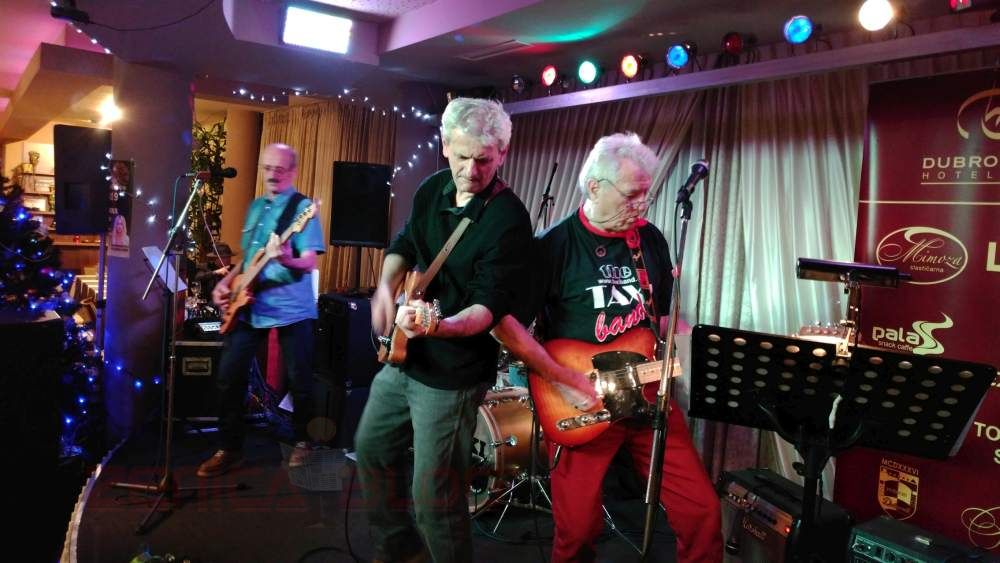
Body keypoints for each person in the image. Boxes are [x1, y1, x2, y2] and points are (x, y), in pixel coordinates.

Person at [493, 133, 723, 562]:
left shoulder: (650, 240)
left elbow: (663, 317)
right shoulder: (553, 246)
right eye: (632, 195)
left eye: (646, 195)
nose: (642, 205)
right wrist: (561, 378)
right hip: (582, 403)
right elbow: (505, 325)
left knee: (703, 512)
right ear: (595, 186)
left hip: (649, 395)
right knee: (578, 531)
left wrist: (694, 343)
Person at [355, 97, 533, 563]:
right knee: (371, 449)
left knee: (434, 495)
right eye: (463, 156)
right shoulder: (432, 188)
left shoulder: (508, 219)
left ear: (502, 154)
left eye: (484, 160)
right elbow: (406, 244)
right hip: (404, 357)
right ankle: (399, 550)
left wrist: (438, 326)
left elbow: (486, 309)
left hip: (453, 375)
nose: (471, 171)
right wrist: (385, 289)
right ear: (445, 144)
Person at [196, 143, 325, 477]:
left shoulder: (303, 209)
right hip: (250, 303)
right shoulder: (255, 208)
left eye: (279, 169)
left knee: (300, 380)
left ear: (293, 171)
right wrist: (227, 283)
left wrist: (286, 258)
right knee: (229, 376)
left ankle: (304, 443)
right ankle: (230, 448)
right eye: (267, 168)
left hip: (292, 306)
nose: (272, 174)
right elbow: (249, 258)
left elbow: (308, 262)